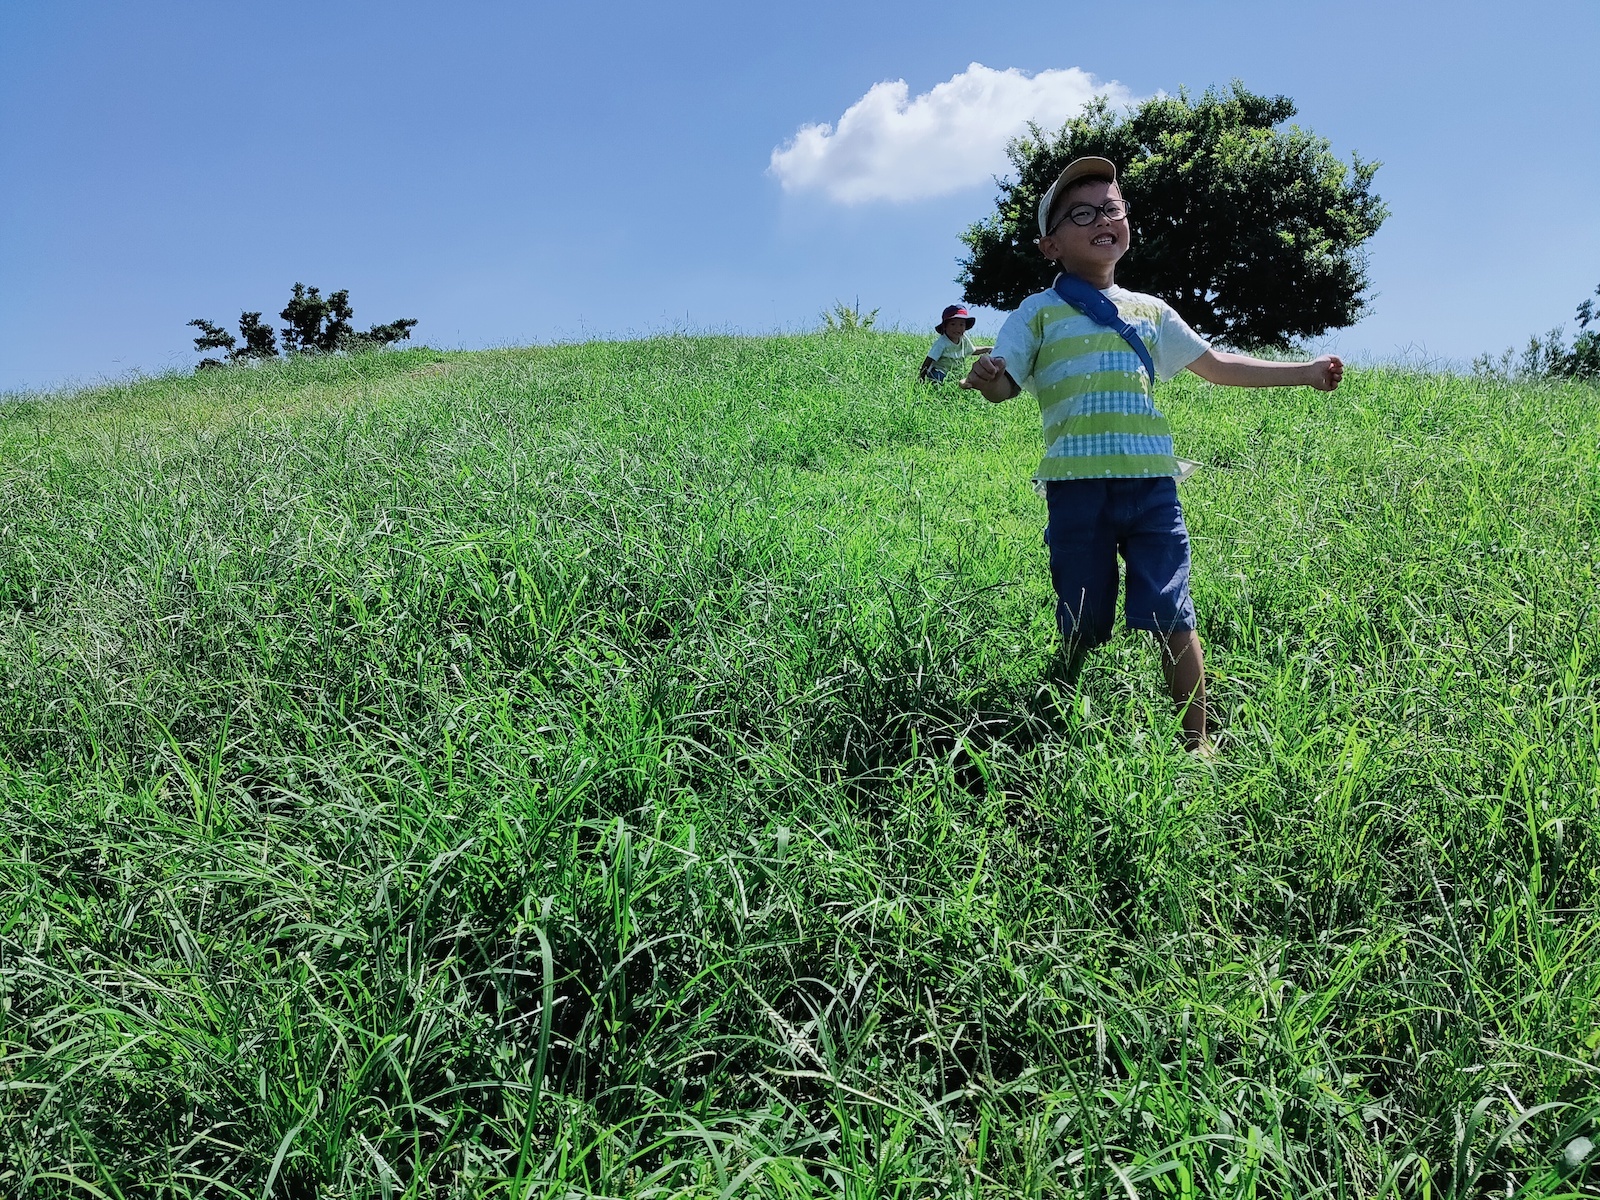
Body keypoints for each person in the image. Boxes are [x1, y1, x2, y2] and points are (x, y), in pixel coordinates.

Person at [962, 156, 1343, 752]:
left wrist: (1304, 371)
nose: (1101, 220)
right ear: (1050, 245)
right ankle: (1065, 683)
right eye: (1081, 213)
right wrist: (987, 376)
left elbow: (1218, 366)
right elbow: (1005, 380)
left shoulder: (1151, 310)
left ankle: (1199, 744)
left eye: (1111, 208)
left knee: (1172, 607)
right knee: (1084, 614)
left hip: (1150, 487)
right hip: (1076, 487)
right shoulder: (1036, 312)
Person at [919, 305, 993, 383]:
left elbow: (972, 350)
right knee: (939, 378)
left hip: (955, 373)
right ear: (945, 326)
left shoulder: (963, 339)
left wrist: (988, 349)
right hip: (939, 371)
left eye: (961, 325)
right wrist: (921, 377)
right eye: (953, 324)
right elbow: (929, 359)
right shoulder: (942, 343)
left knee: (965, 380)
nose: (957, 328)